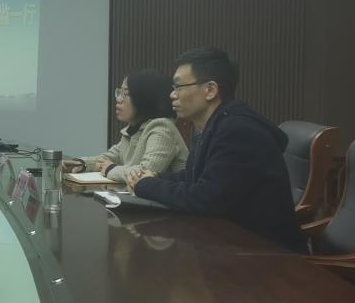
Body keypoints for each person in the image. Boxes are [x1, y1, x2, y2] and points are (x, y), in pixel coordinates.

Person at [127, 48, 304, 253]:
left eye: (178, 86)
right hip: (232, 246)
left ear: (210, 90)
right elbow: (194, 176)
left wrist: (146, 185)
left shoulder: (238, 132)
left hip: (267, 256)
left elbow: (205, 200)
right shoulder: (213, 126)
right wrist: (154, 176)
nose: (172, 95)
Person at [66, 68, 188, 183]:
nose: (119, 99)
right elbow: (109, 158)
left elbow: (145, 173)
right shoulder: (134, 129)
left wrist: (111, 169)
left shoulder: (162, 128)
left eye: (126, 94)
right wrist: (81, 164)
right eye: (119, 92)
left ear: (145, 98)